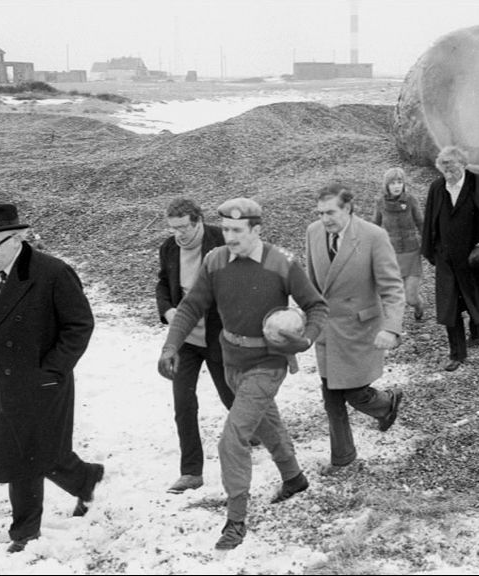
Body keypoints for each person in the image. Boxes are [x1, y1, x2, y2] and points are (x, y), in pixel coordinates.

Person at [157, 197, 328, 550]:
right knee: (266, 421)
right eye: (227, 229)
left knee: (232, 438)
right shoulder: (215, 260)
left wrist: (306, 338)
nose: (229, 237)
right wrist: (171, 346)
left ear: (257, 230)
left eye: (237, 231)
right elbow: (191, 307)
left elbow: (316, 307)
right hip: (231, 360)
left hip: (268, 363)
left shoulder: (282, 264)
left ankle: (235, 520)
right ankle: (293, 478)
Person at [0, 203, 104, 554]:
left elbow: (79, 325)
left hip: (43, 382)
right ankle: (86, 478)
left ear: (18, 237)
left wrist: (51, 370)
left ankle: (24, 533)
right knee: (32, 451)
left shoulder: (52, 273)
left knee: (26, 457)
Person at [305, 183, 406, 471]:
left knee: (355, 392)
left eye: (331, 212)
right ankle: (343, 458)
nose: (325, 219)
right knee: (331, 398)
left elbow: (392, 288)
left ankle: (387, 404)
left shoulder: (373, 236)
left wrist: (392, 327)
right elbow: (312, 283)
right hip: (327, 328)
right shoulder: (313, 233)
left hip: (361, 328)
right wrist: (306, 318)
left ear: (347, 208)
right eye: (320, 213)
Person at [155, 197, 235, 494]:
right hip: (185, 339)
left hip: (218, 334)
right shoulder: (169, 248)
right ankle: (191, 472)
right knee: (183, 404)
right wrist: (167, 310)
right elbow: (163, 283)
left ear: (198, 221)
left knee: (231, 396)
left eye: (184, 228)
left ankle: (256, 430)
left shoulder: (222, 240)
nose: (179, 234)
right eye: (173, 228)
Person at [421, 145, 479, 372]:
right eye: (444, 169)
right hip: (446, 258)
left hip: (473, 259)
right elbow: (431, 221)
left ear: (463, 165)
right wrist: (432, 250)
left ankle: (476, 328)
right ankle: (457, 354)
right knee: (449, 305)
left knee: (476, 301)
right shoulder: (437, 187)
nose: (449, 174)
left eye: (453, 168)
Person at [373, 167, 425, 321]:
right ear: (386, 185)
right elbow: (374, 226)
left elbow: (421, 223)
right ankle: (393, 326)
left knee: (410, 298)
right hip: (391, 255)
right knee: (392, 297)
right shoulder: (380, 202)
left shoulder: (411, 200)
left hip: (411, 253)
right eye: (392, 183)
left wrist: (429, 245)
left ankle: (419, 305)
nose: (396, 186)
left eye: (399, 182)